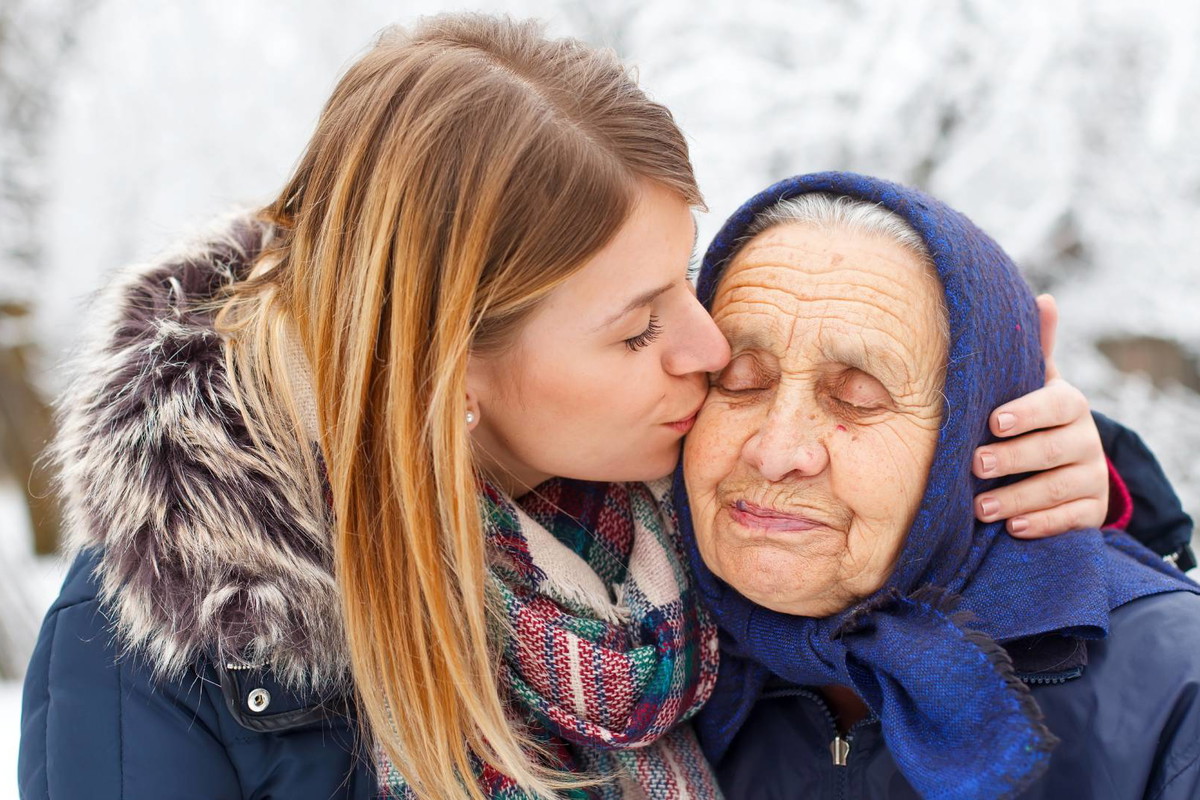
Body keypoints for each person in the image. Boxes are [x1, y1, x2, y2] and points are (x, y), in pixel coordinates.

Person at [17, 15, 1175, 800]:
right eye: (636, 326)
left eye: (686, 278)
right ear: (450, 377)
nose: (707, 345)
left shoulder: (674, 504)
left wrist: (1040, 462)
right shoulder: (167, 648)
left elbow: (1044, 629)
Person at [679, 172, 1200, 799]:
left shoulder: (1175, 690)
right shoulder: (627, 631)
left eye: (858, 398)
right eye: (738, 380)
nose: (775, 450)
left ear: (975, 435)